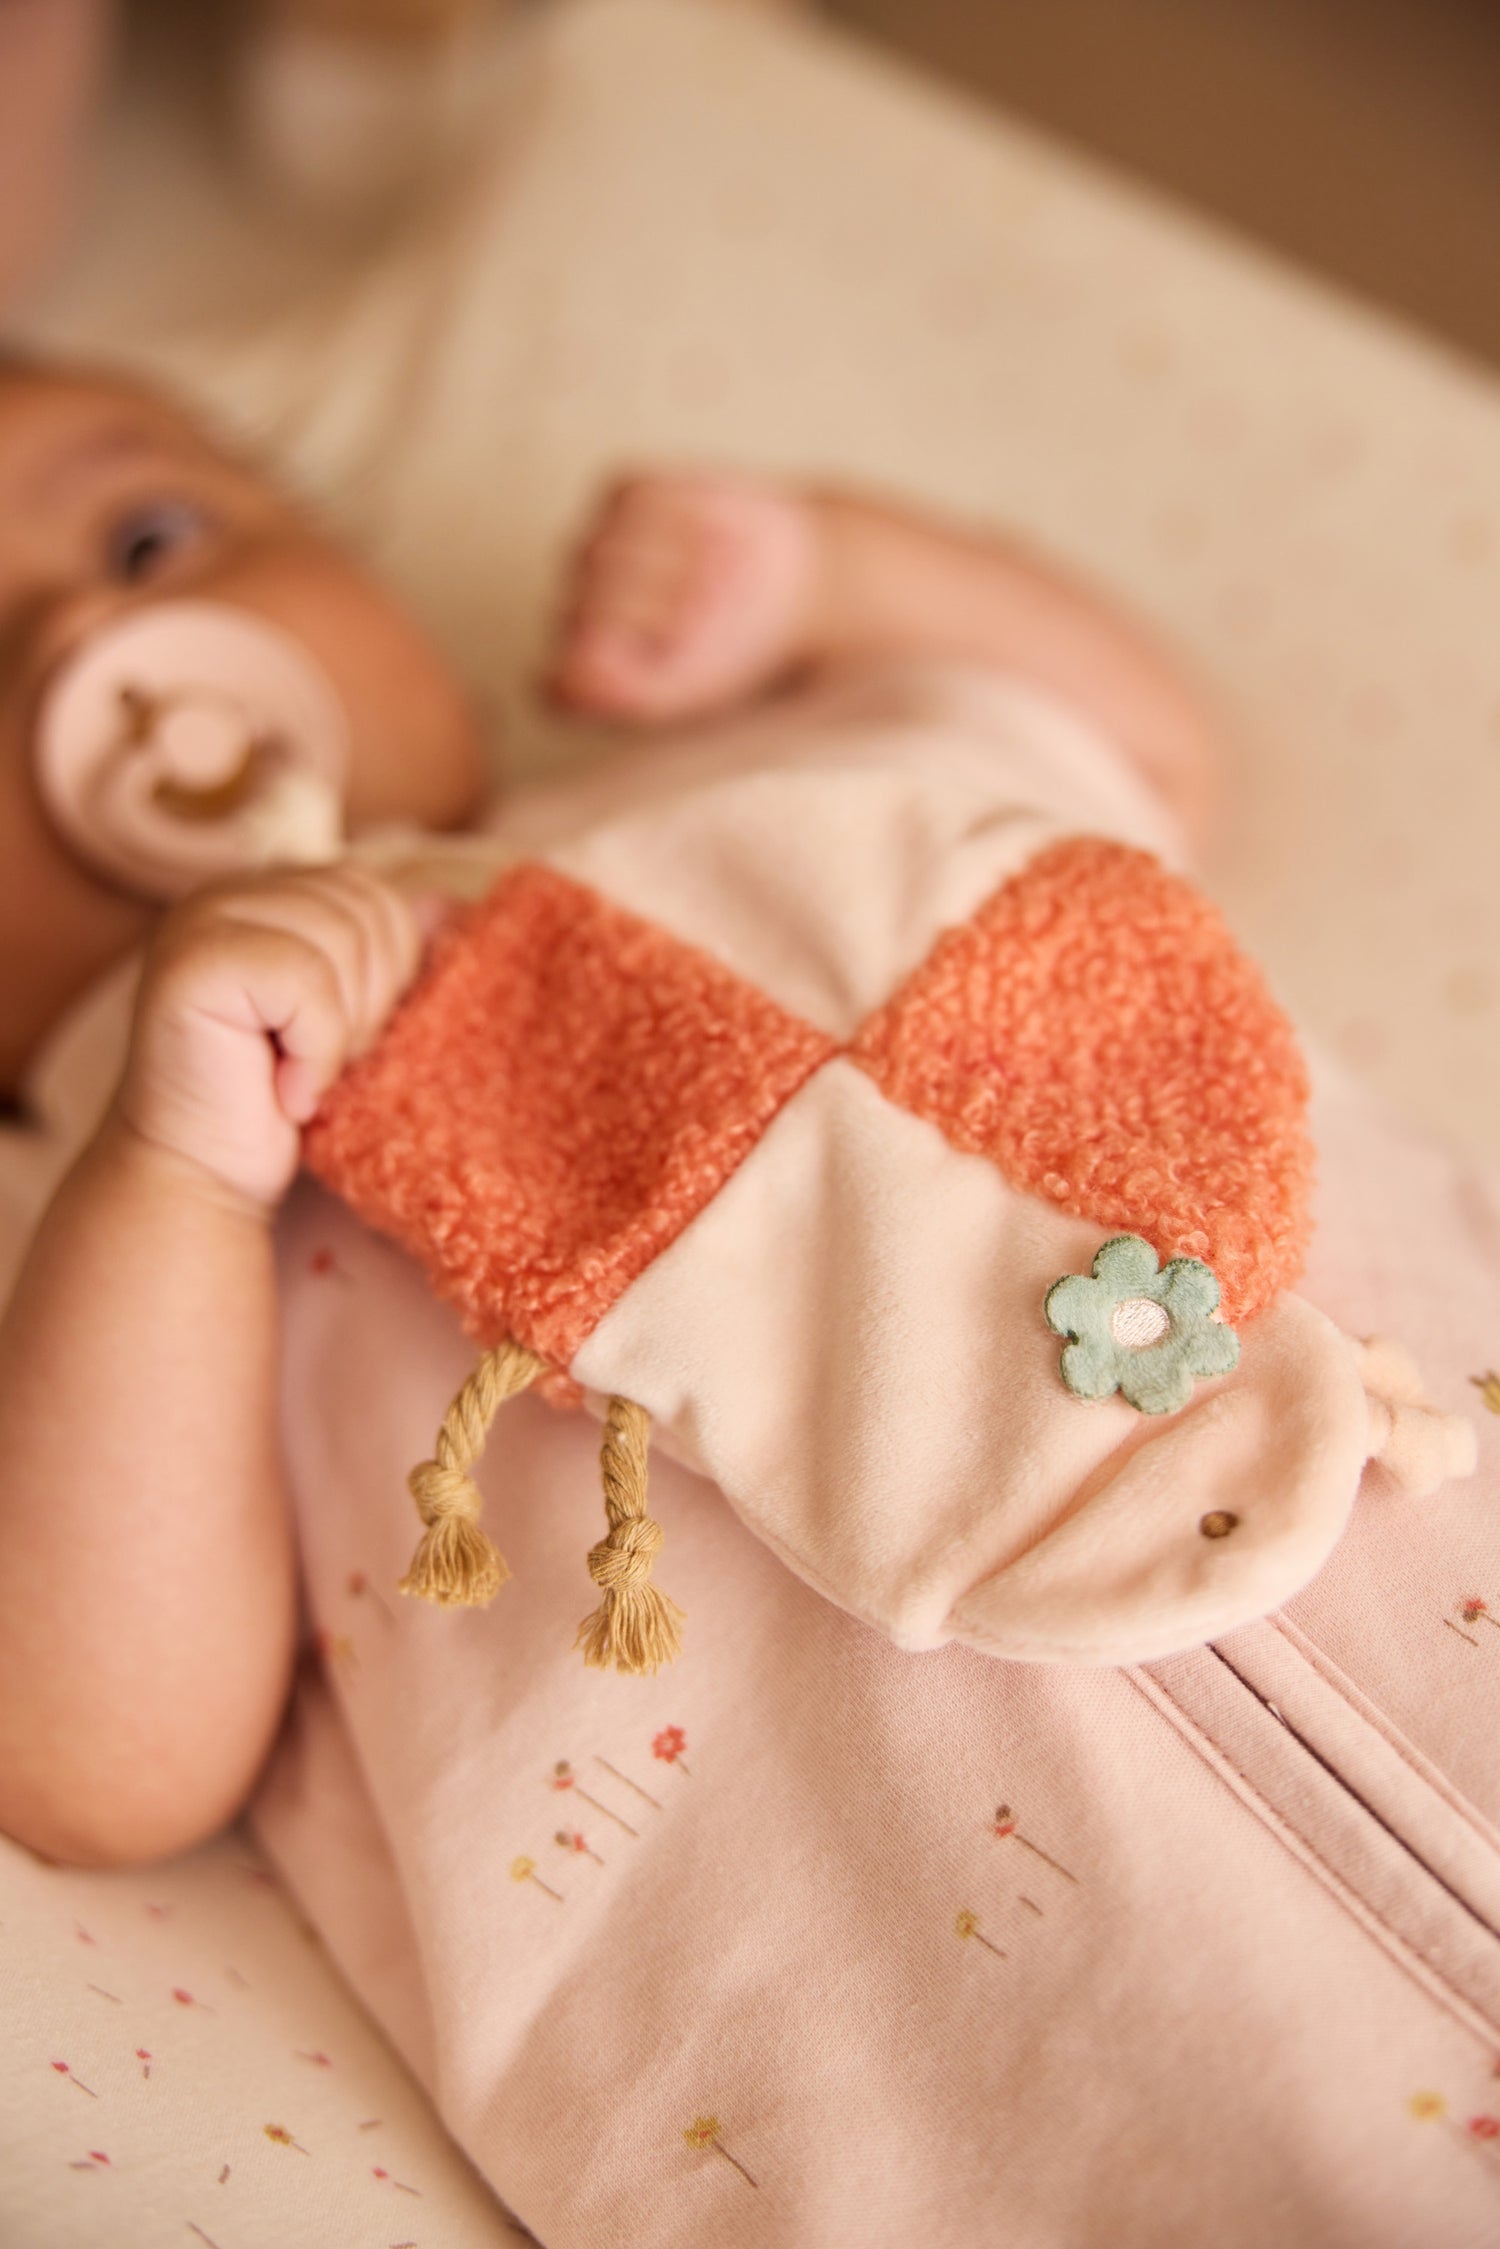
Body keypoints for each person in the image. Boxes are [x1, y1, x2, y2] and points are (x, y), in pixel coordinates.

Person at [0, 354, 1491, 2249]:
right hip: (1026, 2061)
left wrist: (828, 577)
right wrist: (175, 1169)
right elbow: (95, 1764)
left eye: (150, 534)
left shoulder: (791, 783)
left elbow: (1133, 743)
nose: (83, 639)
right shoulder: (85, 1212)